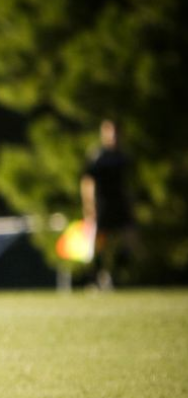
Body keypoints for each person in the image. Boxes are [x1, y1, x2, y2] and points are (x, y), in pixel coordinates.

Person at [81, 118, 137, 290]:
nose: (113, 135)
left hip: (120, 203)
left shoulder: (124, 156)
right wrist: (89, 206)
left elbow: (129, 183)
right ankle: (96, 278)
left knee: (130, 240)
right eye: (110, 131)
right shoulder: (98, 156)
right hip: (102, 204)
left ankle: (115, 275)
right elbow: (87, 181)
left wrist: (131, 203)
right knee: (99, 243)